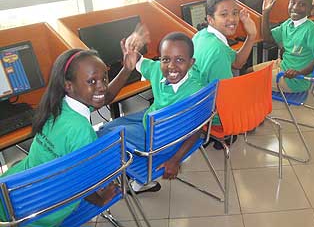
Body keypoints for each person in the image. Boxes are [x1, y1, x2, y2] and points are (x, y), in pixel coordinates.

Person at [0, 42, 137, 226]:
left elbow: (105, 96)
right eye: (92, 81)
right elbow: (81, 182)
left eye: (104, 78)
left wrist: (127, 69)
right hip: (44, 211)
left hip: (12, 191)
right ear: (69, 86)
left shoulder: (57, 105)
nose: (103, 86)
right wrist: (100, 200)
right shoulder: (81, 130)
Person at [98, 31, 204, 193]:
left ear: (191, 62)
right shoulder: (157, 70)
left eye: (180, 60)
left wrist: (176, 160)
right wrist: (132, 51)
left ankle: (133, 176)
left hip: (161, 141)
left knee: (104, 136)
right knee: (105, 128)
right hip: (152, 119)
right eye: (166, 59)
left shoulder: (194, 92)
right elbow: (139, 61)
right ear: (160, 60)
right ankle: (132, 173)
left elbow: (197, 131)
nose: (171, 66)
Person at [190, 0, 257, 148]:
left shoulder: (202, 35)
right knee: (255, 112)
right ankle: (222, 131)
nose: (232, 19)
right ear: (210, 19)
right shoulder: (217, 51)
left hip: (198, 104)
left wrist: (252, 35)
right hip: (211, 112)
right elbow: (226, 97)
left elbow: (237, 63)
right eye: (224, 14)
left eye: (235, 13)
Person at [254, 0, 314, 93]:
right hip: (284, 65)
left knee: (250, 80)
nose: (295, 7)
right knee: (248, 72)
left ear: (311, 9)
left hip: (295, 80)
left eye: (302, 4)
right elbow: (268, 38)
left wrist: (299, 73)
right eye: (292, 3)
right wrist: (265, 13)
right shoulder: (288, 24)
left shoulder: (313, 30)